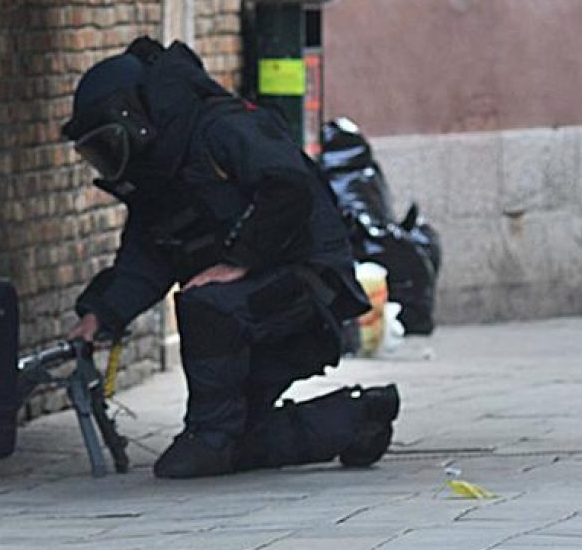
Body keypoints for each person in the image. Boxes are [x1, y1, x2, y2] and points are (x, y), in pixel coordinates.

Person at [61, 36, 400, 478]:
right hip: (255, 301)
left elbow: (287, 187)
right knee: (235, 440)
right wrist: (102, 314)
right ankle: (359, 418)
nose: (108, 162)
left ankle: (210, 434)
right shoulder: (157, 175)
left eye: (107, 145)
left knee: (205, 303)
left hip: (307, 285)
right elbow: (147, 259)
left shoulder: (223, 129)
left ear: (133, 120)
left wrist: (242, 260)